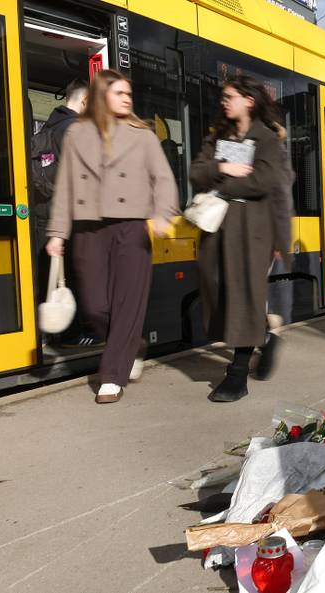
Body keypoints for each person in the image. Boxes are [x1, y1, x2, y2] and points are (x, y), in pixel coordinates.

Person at [45, 69, 178, 404]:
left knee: (126, 304)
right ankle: (133, 344)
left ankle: (112, 377)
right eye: (119, 93)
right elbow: (65, 186)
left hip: (131, 228)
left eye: (128, 94)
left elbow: (163, 179)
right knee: (94, 307)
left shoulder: (142, 134)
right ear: (102, 96)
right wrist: (58, 233)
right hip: (88, 228)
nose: (127, 99)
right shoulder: (77, 134)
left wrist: (162, 215)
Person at [190, 75, 293, 403]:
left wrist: (218, 182)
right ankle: (263, 334)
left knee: (246, 293)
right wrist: (226, 167)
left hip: (253, 227)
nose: (224, 101)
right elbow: (196, 172)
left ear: (249, 100)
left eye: (230, 96)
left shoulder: (266, 138)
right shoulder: (217, 135)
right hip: (216, 225)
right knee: (216, 287)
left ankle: (237, 374)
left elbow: (262, 182)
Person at [29, 80, 104, 348]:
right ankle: (80, 333)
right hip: (69, 215)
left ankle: (55, 332)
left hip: (42, 212)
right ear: (84, 102)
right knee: (76, 272)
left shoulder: (47, 128)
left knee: (54, 273)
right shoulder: (76, 130)